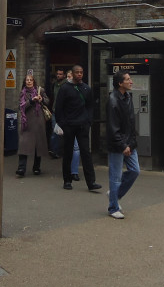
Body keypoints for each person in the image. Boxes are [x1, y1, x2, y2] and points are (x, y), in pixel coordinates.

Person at [52, 64, 101, 192]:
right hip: (69, 125)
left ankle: (91, 182)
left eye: (81, 72)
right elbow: (59, 108)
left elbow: (90, 106)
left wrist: (88, 121)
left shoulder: (86, 88)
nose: (79, 74)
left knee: (86, 153)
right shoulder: (65, 89)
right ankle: (67, 180)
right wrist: (62, 123)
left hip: (82, 126)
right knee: (68, 153)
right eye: (77, 72)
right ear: (72, 74)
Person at [106, 69, 139, 219]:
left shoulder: (128, 97)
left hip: (129, 143)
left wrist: (131, 143)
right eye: (128, 79)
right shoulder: (113, 100)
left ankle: (115, 194)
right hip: (117, 145)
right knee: (115, 176)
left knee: (135, 171)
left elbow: (131, 122)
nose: (131, 81)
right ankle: (113, 207)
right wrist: (122, 145)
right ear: (120, 83)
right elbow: (113, 127)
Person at [16, 70, 49, 177]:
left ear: (34, 81)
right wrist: (31, 101)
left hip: (38, 121)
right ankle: (21, 168)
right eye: (27, 80)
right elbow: (22, 107)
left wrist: (41, 99)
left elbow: (48, 101)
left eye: (31, 80)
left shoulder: (40, 90)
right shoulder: (23, 93)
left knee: (38, 145)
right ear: (24, 82)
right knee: (24, 144)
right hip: (27, 122)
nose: (29, 82)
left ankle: (36, 167)